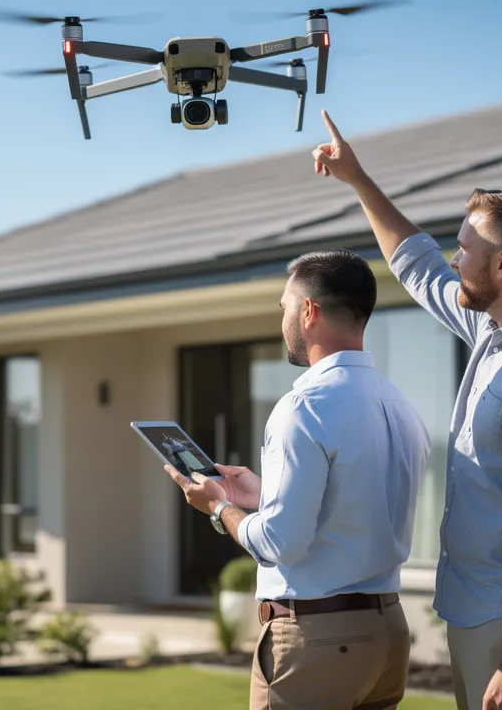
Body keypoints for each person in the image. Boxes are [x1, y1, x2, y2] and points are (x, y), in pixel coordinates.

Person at [309, 110, 502, 710]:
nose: (454, 259)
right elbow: (416, 264)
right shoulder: (493, 332)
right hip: (481, 616)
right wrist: (358, 180)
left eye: (465, 248)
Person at [165, 248, 431, 710]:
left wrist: (219, 508)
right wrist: (264, 493)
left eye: (285, 306)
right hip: (387, 632)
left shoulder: (304, 406)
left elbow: (281, 543)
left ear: (308, 311)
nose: (283, 319)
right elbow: (356, 502)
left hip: (317, 639)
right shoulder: (401, 404)